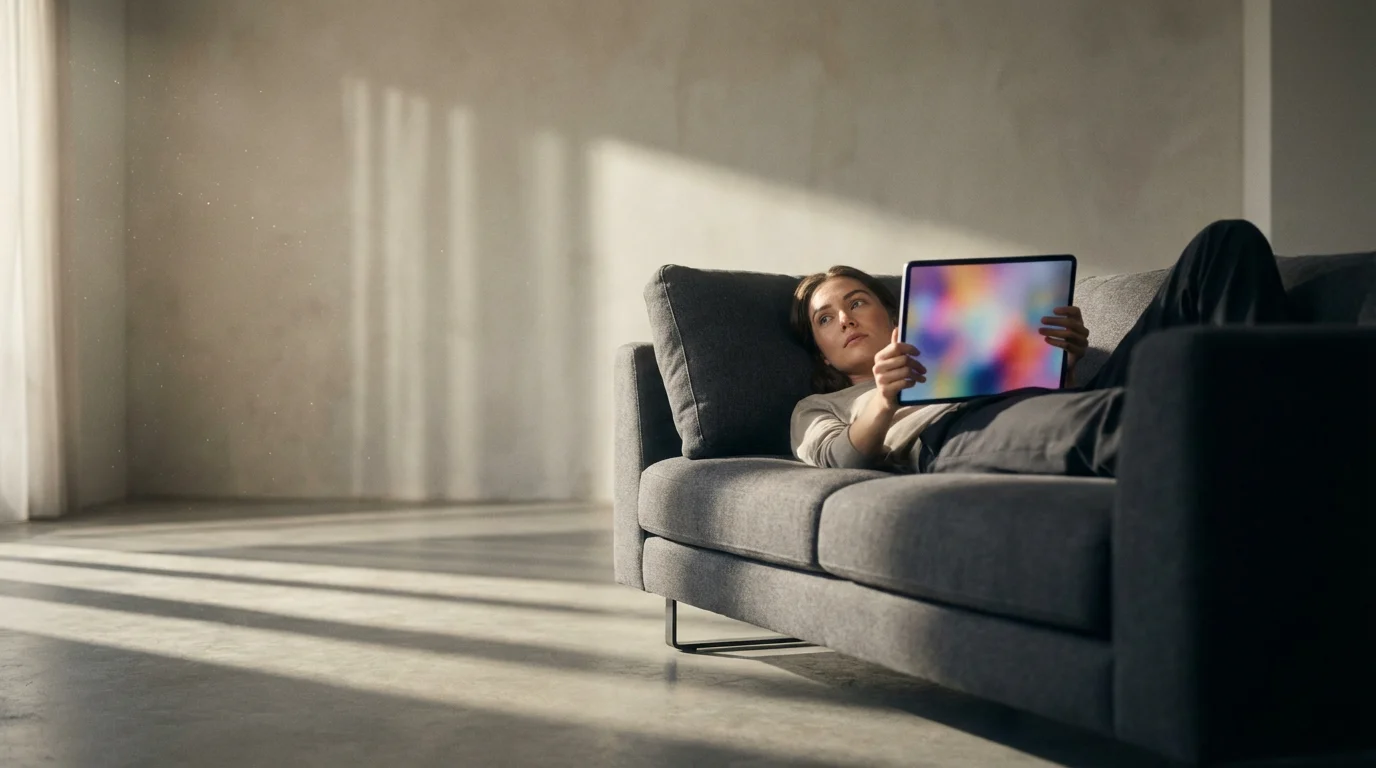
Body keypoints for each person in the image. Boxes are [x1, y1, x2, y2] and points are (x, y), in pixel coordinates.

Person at [789, 219, 1292, 477]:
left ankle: (1275, 417)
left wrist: (1061, 360)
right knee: (1125, 417)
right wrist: (884, 397)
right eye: (826, 319)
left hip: (1056, 400)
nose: (846, 318)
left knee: (1225, 243)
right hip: (956, 431)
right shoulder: (818, 409)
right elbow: (840, 460)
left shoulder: (961, 341)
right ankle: (1272, 447)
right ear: (824, 354)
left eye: (857, 302)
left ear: (893, 315)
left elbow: (1055, 399)